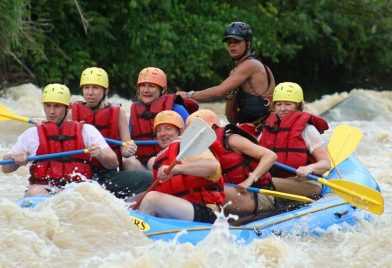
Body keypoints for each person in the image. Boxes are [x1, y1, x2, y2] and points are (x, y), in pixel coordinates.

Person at [1, 83, 118, 197]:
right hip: (44, 189)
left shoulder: (87, 131)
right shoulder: (31, 134)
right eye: (47, 105)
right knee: (35, 192)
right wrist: (14, 158)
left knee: (93, 192)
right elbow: (5, 168)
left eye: (57, 106)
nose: (51, 111)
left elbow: (113, 163)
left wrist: (101, 155)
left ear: (68, 107)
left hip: (77, 191)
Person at [71, 67, 153, 198]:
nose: (90, 93)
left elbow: (126, 147)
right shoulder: (71, 111)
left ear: (106, 90)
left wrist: (128, 150)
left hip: (108, 174)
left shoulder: (118, 113)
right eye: (86, 87)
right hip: (80, 174)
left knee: (150, 178)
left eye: (95, 88)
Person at [177, 21, 275, 130]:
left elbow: (219, 91)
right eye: (229, 42)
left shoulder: (252, 65)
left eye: (237, 41)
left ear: (248, 43)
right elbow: (231, 118)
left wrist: (189, 95)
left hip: (265, 127)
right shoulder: (235, 73)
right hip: (249, 127)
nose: (232, 45)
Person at [138, 111, 225, 223]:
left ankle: (142, 234)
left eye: (168, 128)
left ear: (181, 131)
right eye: (158, 130)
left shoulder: (190, 146)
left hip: (207, 213)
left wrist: (176, 169)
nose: (162, 133)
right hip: (177, 212)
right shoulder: (156, 160)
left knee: (151, 199)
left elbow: (212, 166)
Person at [186, 109, 277, 216]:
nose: (196, 136)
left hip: (260, 195)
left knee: (206, 189)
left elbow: (270, 156)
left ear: (213, 127)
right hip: (234, 192)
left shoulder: (232, 140)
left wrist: (250, 179)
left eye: (199, 131)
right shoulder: (200, 150)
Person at [259, 82, 331, 198]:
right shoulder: (268, 128)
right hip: (277, 179)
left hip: (306, 183)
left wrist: (309, 168)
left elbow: (326, 164)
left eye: (288, 104)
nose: (282, 109)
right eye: (278, 104)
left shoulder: (308, 130)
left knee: (264, 182)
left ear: (298, 106)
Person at [128, 67, 198, 169]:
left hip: (171, 161)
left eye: (151, 86)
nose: (146, 90)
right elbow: (128, 140)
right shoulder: (135, 111)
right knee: (129, 163)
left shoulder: (176, 108)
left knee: (153, 162)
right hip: (143, 164)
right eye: (142, 86)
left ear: (162, 89)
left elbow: (194, 135)